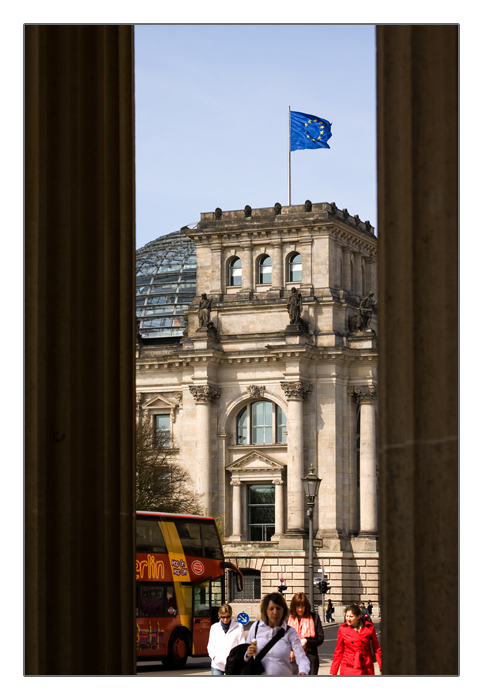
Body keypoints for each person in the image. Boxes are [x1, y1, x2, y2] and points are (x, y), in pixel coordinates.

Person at [244, 592, 310, 675]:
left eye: (278, 608)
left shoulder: (290, 632)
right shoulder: (256, 627)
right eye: (271, 609)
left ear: (283, 610)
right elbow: (244, 655)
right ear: (265, 611)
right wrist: (247, 653)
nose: (275, 612)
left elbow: (302, 657)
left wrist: (303, 671)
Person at [330, 603, 381, 676]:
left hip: (366, 666)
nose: (348, 618)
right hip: (349, 666)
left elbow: (377, 649)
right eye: (347, 616)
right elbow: (338, 651)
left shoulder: (369, 627)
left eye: (351, 616)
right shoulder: (343, 629)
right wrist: (333, 671)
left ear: (358, 617)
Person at [287, 592, 324, 675]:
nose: (300, 609)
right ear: (293, 607)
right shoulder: (287, 619)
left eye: (302, 606)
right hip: (292, 658)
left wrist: (306, 641)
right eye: (297, 606)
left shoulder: (314, 617)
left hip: (310, 658)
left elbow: (320, 638)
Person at [207, 604, 245, 675]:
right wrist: (214, 657)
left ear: (231, 615)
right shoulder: (214, 627)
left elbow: (241, 646)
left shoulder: (239, 626)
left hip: (233, 664)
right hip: (217, 665)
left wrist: (237, 659)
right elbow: (211, 646)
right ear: (219, 615)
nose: (225, 620)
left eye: (228, 617)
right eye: (223, 617)